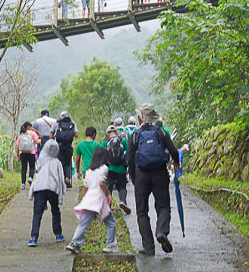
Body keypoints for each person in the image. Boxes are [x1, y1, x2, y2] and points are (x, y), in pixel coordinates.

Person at [127, 103, 181, 255]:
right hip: (159, 173)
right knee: (163, 206)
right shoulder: (161, 132)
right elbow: (173, 151)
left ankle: (149, 247)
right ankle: (161, 231)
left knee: (142, 211)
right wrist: (176, 163)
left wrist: (134, 178)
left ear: (140, 118)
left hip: (141, 175)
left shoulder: (135, 135)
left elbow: (130, 159)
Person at [66, 147, 119, 254]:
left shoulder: (89, 170)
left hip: (89, 198)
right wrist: (108, 194)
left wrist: (83, 200)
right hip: (99, 197)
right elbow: (101, 183)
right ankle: (110, 245)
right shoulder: (104, 168)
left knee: (84, 223)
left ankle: (74, 242)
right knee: (111, 222)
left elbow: (85, 187)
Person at [28, 139, 67, 247]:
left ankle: (33, 238)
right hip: (52, 188)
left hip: (39, 188)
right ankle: (58, 234)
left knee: (37, 213)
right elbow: (60, 179)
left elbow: (37, 173)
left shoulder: (40, 160)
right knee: (55, 211)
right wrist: (61, 193)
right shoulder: (57, 162)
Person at [104, 121, 132, 215]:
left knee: (109, 187)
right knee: (122, 187)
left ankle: (108, 206)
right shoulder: (122, 140)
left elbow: (102, 156)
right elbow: (128, 152)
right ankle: (123, 201)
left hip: (110, 168)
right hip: (121, 168)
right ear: (116, 132)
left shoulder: (105, 142)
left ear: (107, 134)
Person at [54, 111, 78, 188]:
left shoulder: (57, 123)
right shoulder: (72, 123)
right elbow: (76, 135)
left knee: (59, 163)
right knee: (67, 163)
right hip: (69, 146)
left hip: (59, 146)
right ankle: (67, 177)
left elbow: (51, 135)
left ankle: (60, 180)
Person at [16, 122, 41, 188]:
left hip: (22, 153)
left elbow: (17, 146)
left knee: (23, 168)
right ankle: (30, 177)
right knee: (32, 166)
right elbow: (38, 141)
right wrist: (40, 138)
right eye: (31, 126)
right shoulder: (32, 133)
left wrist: (18, 155)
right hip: (31, 153)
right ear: (29, 127)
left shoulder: (21, 135)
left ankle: (23, 184)